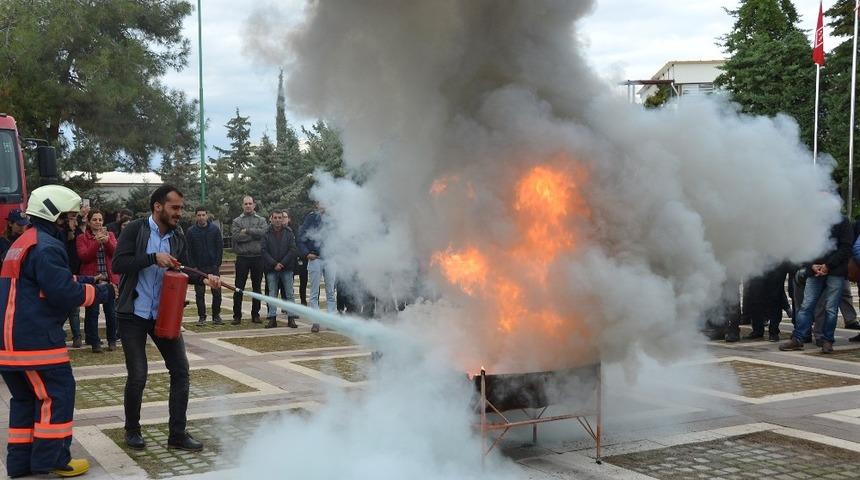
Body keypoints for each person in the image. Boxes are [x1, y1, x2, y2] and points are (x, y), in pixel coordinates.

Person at [0, 185, 112, 478]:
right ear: (55, 216)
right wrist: (100, 293)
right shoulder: (48, 247)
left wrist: (86, 278)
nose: (74, 224)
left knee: (26, 402)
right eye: (71, 218)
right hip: (35, 343)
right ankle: (51, 461)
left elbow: (42, 282)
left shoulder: (25, 242)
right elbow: (62, 292)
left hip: (11, 343)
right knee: (58, 395)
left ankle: (21, 465)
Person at [112, 185, 221, 452]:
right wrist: (152, 257)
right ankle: (132, 430)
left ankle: (177, 434)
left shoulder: (177, 235)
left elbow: (183, 267)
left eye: (181, 208)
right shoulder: (135, 229)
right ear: (158, 207)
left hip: (164, 315)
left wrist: (206, 277)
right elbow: (119, 265)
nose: (179, 213)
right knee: (138, 374)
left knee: (181, 371)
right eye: (174, 208)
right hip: (133, 314)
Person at [781, 216, 852, 354]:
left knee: (830, 309)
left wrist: (828, 266)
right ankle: (798, 338)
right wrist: (811, 265)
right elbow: (805, 246)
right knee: (807, 306)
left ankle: (827, 340)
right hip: (815, 271)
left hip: (835, 272)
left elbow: (845, 248)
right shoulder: (813, 218)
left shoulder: (843, 221)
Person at [77, 209, 119, 353]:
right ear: (89, 222)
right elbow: (84, 257)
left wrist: (107, 242)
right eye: (94, 219)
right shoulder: (82, 238)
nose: (98, 222)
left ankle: (112, 340)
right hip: (92, 279)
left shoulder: (111, 235)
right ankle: (94, 342)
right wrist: (96, 242)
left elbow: (116, 253)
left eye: (100, 220)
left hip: (109, 279)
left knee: (111, 312)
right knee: (92, 313)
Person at [299, 202, 336, 332]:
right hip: (315, 259)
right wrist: (306, 253)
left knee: (331, 292)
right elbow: (301, 237)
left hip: (330, 259)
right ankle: (316, 321)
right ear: (316, 203)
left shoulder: (333, 218)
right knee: (314, 293)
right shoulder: (310, 217)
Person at [230, 196, 267, 325]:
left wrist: (247, 231)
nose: (248, 206)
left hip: (257, 258)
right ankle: (237, 316)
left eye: (250, 203)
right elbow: (236, 237)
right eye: (246, 204)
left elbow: (263, 234)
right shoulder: (236, 221)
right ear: (242, 205)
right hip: (242, 258)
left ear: (254, 205)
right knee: (239, 287)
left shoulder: (261, 220)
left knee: (257, 288)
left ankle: (255, 314)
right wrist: (253, 236)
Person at [262, 209, 299, 329]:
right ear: (271, 219)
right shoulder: (266, 233)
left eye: (280, 218)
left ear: (283, 219)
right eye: (275, 218)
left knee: (289, 294)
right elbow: (264, 251)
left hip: (286, 268)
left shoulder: (289, 232)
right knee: (272, 294)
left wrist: (282, 263)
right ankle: (272, 318)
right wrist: (274, 264)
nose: (278, 220)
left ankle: (291, 318)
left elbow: (292, 250)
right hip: (271, 269)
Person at [187, 207, 224, 326]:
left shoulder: (215, 230)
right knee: (199, 294)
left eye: (203, 215)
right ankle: (202, 317)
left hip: (213, 266)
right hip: (198, 268)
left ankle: (216, 316)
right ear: (195, 216)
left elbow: (219, 247)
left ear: (207, 216)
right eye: (199, 215)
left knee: (217, 292)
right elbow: (189, 250)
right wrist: (193, 266)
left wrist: (217, 263)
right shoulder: (191, 231)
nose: (201, 217)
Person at [59, 212, 84, 348]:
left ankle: (77, 336)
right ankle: (59, 334)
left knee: (74, 309)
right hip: (63, 273)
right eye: (71, 219)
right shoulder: (61, 233)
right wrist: (68, 231)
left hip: (76, 273)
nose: (74, 222)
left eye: (75, 219)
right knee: (62, 307)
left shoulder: (79, 232)